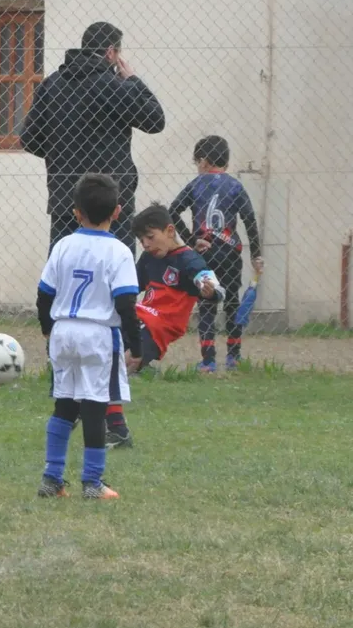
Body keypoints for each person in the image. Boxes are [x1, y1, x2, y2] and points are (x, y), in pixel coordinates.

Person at [34, 174, 142, 501]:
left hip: (64, 329)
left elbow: (43, 295)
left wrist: (48, 330)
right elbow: (125, 303)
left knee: (64, 403)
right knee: (95, 406)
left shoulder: (63, 245)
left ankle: (52, 479)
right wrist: (135, 347)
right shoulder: (119, 251)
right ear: (118, 211)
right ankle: (93, 483)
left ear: (76, 212)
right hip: (97, 333)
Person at [19, 21, 165, 254]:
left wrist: (61, 153)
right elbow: (156, 120)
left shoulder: (51, 84)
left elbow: (29, 139)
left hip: (66, 200)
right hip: (111, 202)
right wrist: (133, 80)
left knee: (64, 271)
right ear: (110, 52)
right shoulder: (113, 86)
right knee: (114, 273)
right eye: (118, 53)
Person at [104, 203, 226, 450]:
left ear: (170, 231)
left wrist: (212, 290)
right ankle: (105, 418)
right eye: (141, 240)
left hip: (158, 329)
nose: (146, 244)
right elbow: (131, 286)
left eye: (150, 237)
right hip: (140, 318)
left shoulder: (188, 259)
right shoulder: (149, 259)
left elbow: (209, 281)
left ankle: (107, 421)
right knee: (105, 354)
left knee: (122, 363)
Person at [170, 136, 264, 372]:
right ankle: (233, 356)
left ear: (203, 161)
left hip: (205, 255)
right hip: (231, 254)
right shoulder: (235, 186)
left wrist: (192, 240)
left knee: (206, 305)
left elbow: (172, 211)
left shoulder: (195, 185)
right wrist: (256, 254)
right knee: (232, 302)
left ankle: (208, 360)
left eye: (196, 161)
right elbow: (249, 219)